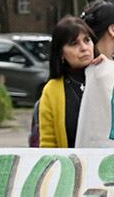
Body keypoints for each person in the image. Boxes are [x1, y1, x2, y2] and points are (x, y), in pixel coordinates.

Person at [37, 17, 99, 148]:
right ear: (61, 54)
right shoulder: (52, 90)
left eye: (87, 40)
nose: (84, 48)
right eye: (74, 44)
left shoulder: (110, 77)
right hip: (72, 166)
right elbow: (48, 145)